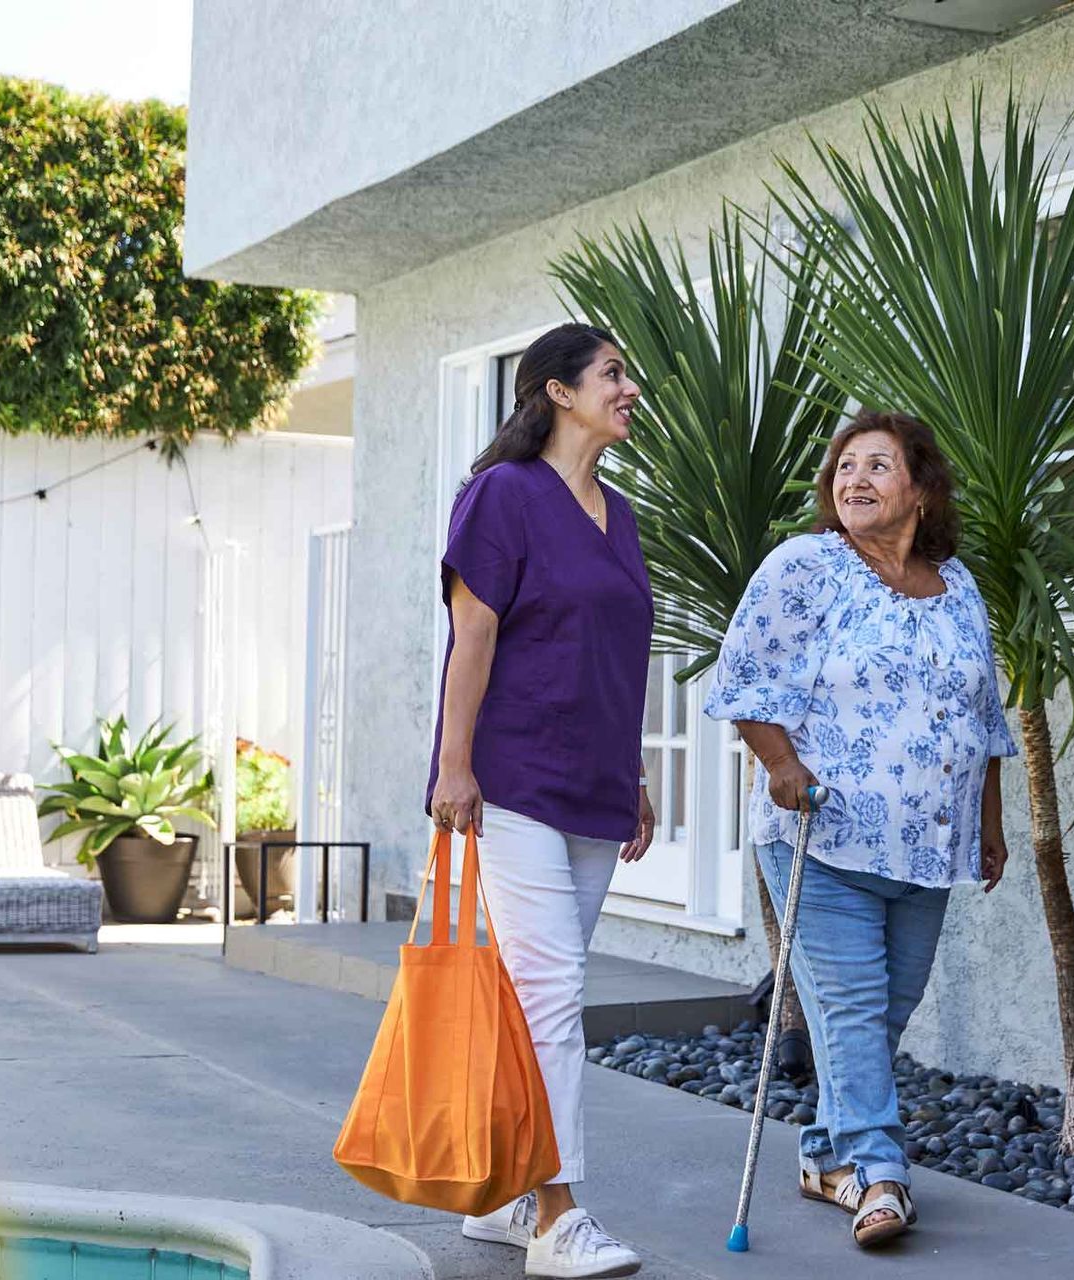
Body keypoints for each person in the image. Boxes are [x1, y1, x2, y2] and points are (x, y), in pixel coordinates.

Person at [705, 409, 1016, 1249]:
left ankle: (823, 1156)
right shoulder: (806, 566)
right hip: (824, 838)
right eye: (844, 467)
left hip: (929, 847)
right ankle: (881, 1176)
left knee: (883, 1017)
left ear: (922, 489)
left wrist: (988, 822)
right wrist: (779, 763)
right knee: (849, 1012)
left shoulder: (957, 585)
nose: (855, 479)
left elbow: (982, 714)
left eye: (877, 465)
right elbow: (747, 677)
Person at [428, 322, 655, 1279]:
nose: (630, 389)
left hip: (595, 787)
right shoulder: (504, 495)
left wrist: (632, 772)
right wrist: (454, 765)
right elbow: (472, 637)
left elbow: (616, 654)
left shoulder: (620, 514)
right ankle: (558, 1217)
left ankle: (508, 1194)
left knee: (535, 1002)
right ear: (559, 391)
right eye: (613, 374)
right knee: (554, 991)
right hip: (513, 778)